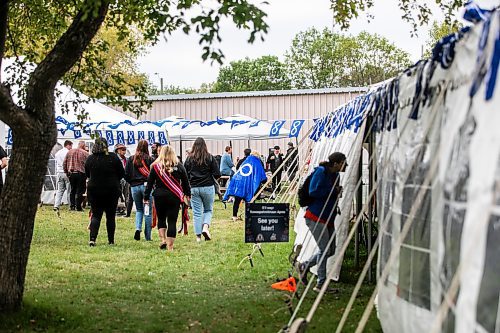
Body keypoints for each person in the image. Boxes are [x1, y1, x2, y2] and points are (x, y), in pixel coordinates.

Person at [296, 152, 348, 293]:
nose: (346, 165)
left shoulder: (335, 176)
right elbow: (313, 191)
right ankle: (321, 284)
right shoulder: (321, 172)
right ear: (336, 163)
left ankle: (304, 266)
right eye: (343, 162)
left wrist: (337, 192)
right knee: (324, 250)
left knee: (330, 250)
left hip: (328, 217)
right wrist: (333, 191)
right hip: (315, 216)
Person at [144, 145, 191, 250]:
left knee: (161, 219)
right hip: (174, 196)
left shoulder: (155, 167)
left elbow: (149, 184)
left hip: (159, 196)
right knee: (172, 221)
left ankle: (163, 240)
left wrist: (146, 196)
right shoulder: (179, 166)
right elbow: (185, 182)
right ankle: (170, 247)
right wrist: (187, 194)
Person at [85, 138, 124, 246]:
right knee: (110, 216)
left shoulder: (90, 159)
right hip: (111, 190)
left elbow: (87, 174)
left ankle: (92, 239)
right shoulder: (113, 157)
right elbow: (121, 173)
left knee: (96, 215)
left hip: (94, 190)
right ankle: (111, 240)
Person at [184, 137, 220, 242]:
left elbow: (185, 174)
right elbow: (217, 173)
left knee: (197, 213)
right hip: (208, 186)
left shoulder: (189, 159)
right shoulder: (209, 157)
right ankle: (205, 227)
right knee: (208, 209)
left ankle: (198, 236)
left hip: (194, 188)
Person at [224, 151, 267, 222]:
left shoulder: (245, 161)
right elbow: (262, 176)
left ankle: (234, 216)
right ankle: (251, 216)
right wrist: (265, 181)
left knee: (237, 200)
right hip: (248, 184)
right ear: (258, 157)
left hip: (238, 181)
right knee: (250, 199)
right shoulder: (257, 163)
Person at [125, 139, 154, 241]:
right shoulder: (150, 159)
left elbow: (126, 174)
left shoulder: (131, 159)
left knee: (139, 209)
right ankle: (148, 236)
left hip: (134, 187)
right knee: (148, 211)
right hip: (146, 187)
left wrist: (132, 182)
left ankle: (138, 228)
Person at [63, 140, 89, 211]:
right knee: (80, 190)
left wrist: (66, 172)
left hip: (71, 173)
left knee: (72, 190)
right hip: (81, 174)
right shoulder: (86, 153)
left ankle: (72, 206)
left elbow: (64, 163)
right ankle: (78, 206)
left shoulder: (70, 151)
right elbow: (88, 164)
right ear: (83, 146)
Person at [54, 140, 73, 212]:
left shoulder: (58, 153)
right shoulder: (68, 152)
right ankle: (70, 205)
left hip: (59, 172)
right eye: (71, 146)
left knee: (60, 190)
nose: (71, 148)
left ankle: (56, 205)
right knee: (69, 190)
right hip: (66, 172)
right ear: (68, 145)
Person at [114, 143, 130, 216]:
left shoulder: (127, 159)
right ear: (117, 151)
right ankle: (116, 209)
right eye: (122, 150)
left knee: (126, 194)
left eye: (125, 150)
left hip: (126, 180)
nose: (124, 151)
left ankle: (126, 209)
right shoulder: (115, 159)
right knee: (117, 195)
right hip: (117, 180)